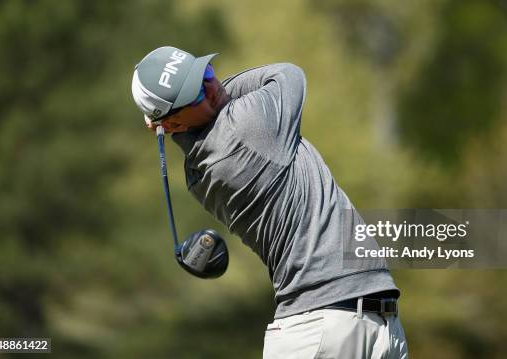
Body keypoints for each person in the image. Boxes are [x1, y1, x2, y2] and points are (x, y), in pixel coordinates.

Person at [131, 46, 408, 359]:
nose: (211, 87)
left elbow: (217, 99)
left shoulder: (197, 172)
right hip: (323, 328)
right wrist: (216, 93)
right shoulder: (245, 128)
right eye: (194, 94)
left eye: (206, 74)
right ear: (174, 125)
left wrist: (191, 104)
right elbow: (287, 74)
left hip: (365, 323)